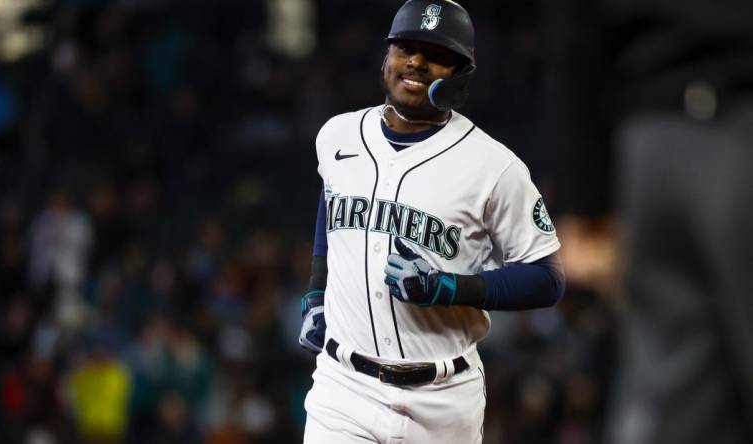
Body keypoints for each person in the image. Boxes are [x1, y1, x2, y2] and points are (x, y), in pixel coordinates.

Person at [298, 1, 566, 443]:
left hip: (443, 401)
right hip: (342, 389)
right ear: (386, 57)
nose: (417, 62)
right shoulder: (337, 135)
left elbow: (547, 279)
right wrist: (315, 287)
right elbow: (332, 197)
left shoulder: (494, 167)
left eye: (436, 54)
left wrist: (450, 287)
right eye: (406, 47)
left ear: (461, 75)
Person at [546, 0, 753, 443]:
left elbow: (574, 25)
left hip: (650, 144)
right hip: (735, 108)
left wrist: (585, 198)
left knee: (676, 411)